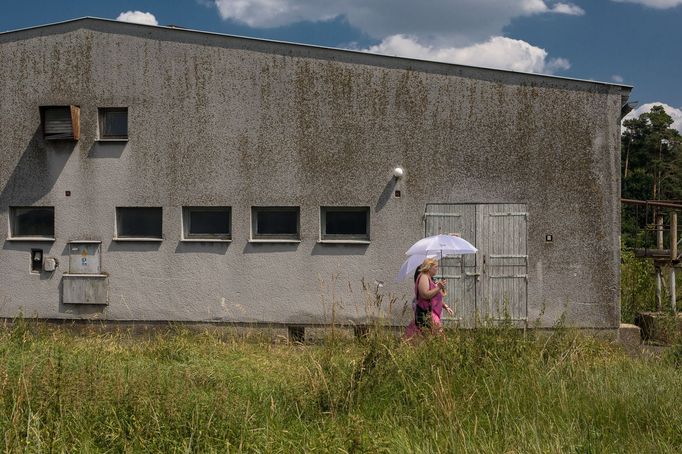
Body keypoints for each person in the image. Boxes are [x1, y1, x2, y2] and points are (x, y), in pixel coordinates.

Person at [404, 258, 454, 338]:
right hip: (428, 312)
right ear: (429, 267)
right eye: (436, 267)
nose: (437, 269)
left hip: (431, 312)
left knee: (431, 337)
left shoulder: (429, 278)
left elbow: (434, 298)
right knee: (438, 337)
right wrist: (438, 287)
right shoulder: (424, 277)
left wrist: (445, 306)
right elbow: (425, 294)